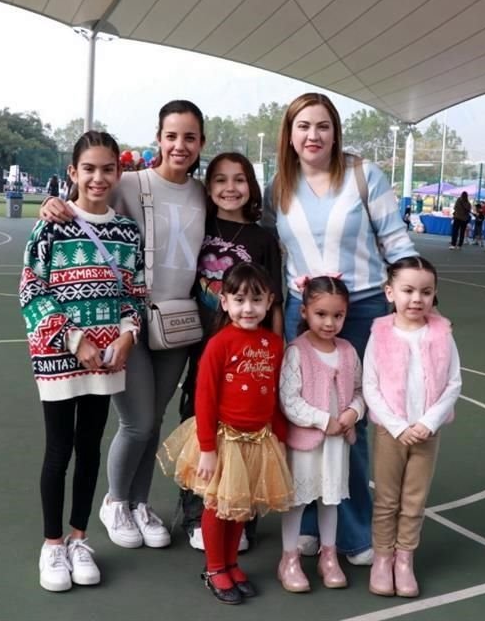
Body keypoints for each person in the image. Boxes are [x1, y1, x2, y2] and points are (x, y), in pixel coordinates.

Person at [40, 101, 207, 550]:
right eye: (172, 136)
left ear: (201, 144)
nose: (180, 145)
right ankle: (116, 501)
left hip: (175, 325)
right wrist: (51, 203)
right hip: (126, 322)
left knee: (154, 422)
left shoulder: (202, 193)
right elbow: (85, 201)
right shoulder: (129, 181)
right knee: (137, 421)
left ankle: (139, 502)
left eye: (190, 137)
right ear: (158, 139)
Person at [262, 92, 418, 566]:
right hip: (299, 312)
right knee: (305, 417)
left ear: (336, 132)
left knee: (351, 420)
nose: (313, 135)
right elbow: (269, 247)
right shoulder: (279, 187)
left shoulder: (362, 175)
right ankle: (309, 522)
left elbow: (395, 239)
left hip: (363, 309)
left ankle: (352, 532)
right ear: (289, 135)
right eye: (303, 126)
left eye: (323, 126)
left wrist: (413, 299)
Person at [20, 131, 147, 592]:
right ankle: (52, 544)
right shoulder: (52, 224)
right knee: (59, 450)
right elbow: (31, 290)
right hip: (58, 358)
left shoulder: (127, 232)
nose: (98, 177)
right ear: (73, 172)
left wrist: (129, 336)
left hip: (108, 361)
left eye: (107, 169)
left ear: (119, 172)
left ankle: (79, 538)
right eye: (88, 168)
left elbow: (135, 293)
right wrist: (74, 340)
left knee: (91, 447)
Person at [158, 263, 294, 605]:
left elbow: (274, 395)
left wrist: (280, 435)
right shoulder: (219, 344)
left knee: (242, 507)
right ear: (225, 302)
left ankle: (232, 563)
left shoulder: (273, 344)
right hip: (224, 442)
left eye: (256, 300)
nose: (248, 308)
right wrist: (207, 448)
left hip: (259, 441)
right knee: (219, 505)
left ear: (269, 302)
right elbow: (204, 399)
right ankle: (215, 567)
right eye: (239, 299)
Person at [181, 152, 284, 552]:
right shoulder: (199, 226)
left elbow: (274, 301)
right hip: (201, 345)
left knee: (249, 439)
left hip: (249, 357)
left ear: (252, 187)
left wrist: (275, 353)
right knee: (200, 422)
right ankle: (195, 513)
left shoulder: (263, 239)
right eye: (220, 180)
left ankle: (244, 515)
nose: (229, 188)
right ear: (208, 188)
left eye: (239, 179)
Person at [362, 256, 461, 598]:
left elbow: (453, 383)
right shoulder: (380, 334)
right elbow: (370, 386)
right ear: (390, 292)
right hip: (392, 433)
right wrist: (397, 425)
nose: (416, 299)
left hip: (426, 434)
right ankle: (382, 558)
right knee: (387, 500)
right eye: (408, 290)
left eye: (426, 292)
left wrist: (427, 423)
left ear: (434, 296)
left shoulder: (442, 334)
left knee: (414, 501)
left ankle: (405, 560)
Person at [277, 275, 365, 593]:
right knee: (297, 501)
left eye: (337, 315)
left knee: (331, 500)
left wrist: (353, 413)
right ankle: (289, 558)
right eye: (321, 314)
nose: (329, 322)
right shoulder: (297, 352)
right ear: (304, 313)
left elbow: (358, 390)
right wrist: (323, 420)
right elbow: (289, 399)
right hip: (306, 443)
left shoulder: (348, 350)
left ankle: (329, 556)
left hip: (337, 443)